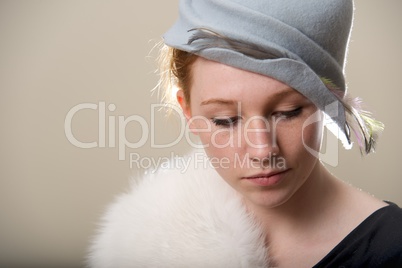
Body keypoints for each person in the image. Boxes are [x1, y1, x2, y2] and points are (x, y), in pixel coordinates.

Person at [87, 0, 402, 267]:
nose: (262, 151)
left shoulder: (392, 249)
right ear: (187, 109)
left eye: (289, 112)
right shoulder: (146, 241)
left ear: (325, 102)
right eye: (225, 120)